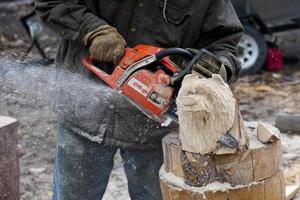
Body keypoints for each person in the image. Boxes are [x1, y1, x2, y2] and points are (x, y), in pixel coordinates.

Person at [34, 0, 244, 199]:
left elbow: (224, 42)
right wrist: (92, 30)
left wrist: (218, 66)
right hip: (85, 114)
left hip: (155, 127)